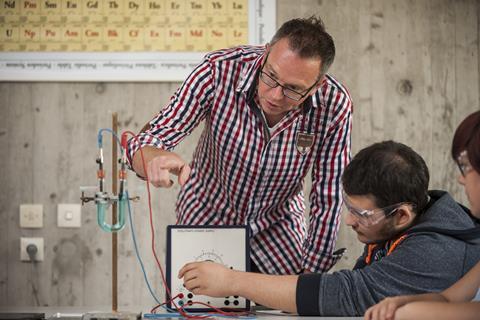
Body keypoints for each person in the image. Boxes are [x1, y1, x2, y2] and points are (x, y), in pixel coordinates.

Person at [127, 16, 353, 274]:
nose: (275, 95)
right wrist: (153, 157)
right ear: (266, 52)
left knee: (290, 308)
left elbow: (329, 194)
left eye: (293, 89)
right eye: (271, 77)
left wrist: (311, 274)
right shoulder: (218, 70)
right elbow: (148, 139)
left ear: (317, 86)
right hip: (206, 213)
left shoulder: (334, 104)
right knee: (199, 309)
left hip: (278, 225)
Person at [178, 140, 480, 316]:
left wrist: (232, 281)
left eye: (360, 213)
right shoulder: (403, 225)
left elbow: (347, 295)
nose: (349, 221)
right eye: (347, 208)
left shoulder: (435, 251)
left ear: (401, 215)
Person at [364, 111, 480, 320]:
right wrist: (402, 301)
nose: (461, 179)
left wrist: (408, 310)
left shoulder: (438, 246)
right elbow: (448, 299)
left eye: (466, 166)